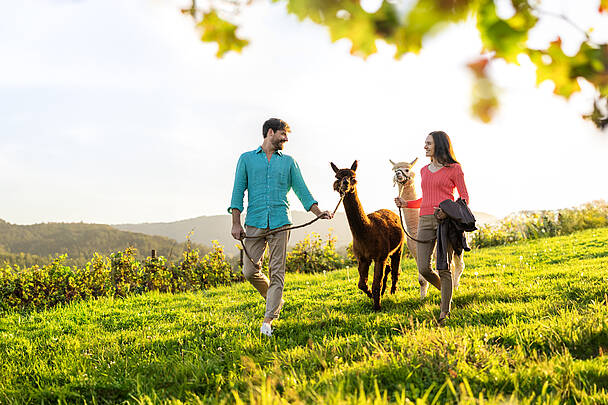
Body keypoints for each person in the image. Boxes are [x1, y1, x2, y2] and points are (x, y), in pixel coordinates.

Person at [229, 118, 333, 337]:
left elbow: (301, 190)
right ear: (270, 132)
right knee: (249, 271)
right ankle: (275, 299)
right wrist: (236, 223)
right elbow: (238, 191)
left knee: (277, 271)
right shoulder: (246, 159)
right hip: (254, 222)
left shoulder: (288, 162)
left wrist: (318, 212)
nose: (286, 139)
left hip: (280, 221)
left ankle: (268, 321)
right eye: (283, 134)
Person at [395, 131, 470, 325]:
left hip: (446, 221)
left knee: (443, 267)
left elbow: (464, 197)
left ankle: (444, 311)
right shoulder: (424, 171)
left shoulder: (455, 169)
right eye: (425, 143)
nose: (425, 147)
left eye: (428, 143)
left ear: (439, 145)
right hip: (425, 220)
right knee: (424, 268)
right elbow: (425, 199)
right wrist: (406, 204)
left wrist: (447, 211)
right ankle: (447, 292)